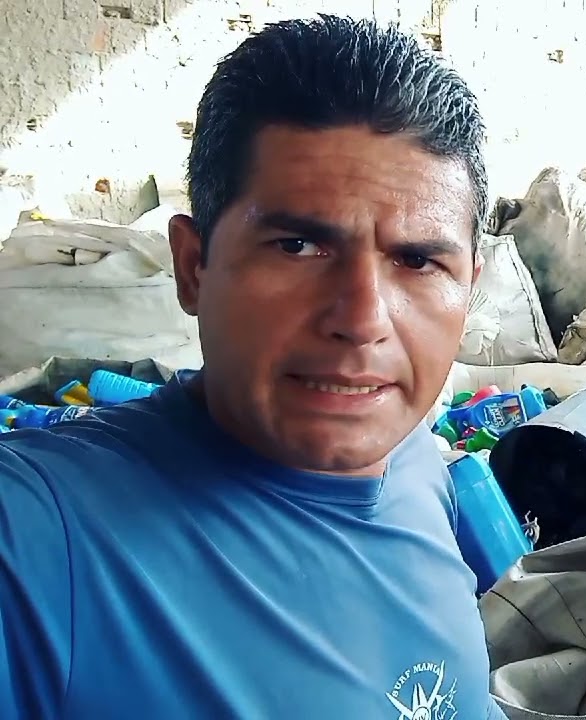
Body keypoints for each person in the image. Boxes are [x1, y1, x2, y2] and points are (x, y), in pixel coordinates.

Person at [0, 15, 508, 719]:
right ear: (193, 267)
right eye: (298, 246)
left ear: (470, 286)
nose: (362, 318)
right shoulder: (36, 543)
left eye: (418, 260)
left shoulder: (419, 466)